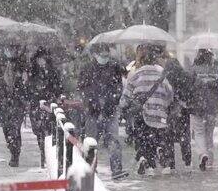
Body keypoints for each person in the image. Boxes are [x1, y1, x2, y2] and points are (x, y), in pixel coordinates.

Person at [119, 44, 174, 175]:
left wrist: (121, 107)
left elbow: (126, 95)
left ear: (141, 60)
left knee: (144, 139)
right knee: (156, 138)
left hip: (142, 113)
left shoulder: (136, 74)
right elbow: (170, 92)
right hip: (160, 114)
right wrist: (164, 105)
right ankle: (160, 150)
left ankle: (145, 161)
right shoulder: (161, 74)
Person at [78, 43, 128, 179]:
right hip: (93, 111)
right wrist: (93, 102)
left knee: (113, 140)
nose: (104, 58)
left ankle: (117, 169)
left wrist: (110, 102)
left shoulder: (114, 68)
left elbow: (118, 88)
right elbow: (83, 89)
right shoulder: (87, 69)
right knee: (91, 140)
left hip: (110, 110)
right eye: (102, 55)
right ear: (95, 55)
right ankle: (89, 169)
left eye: (107, 55)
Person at [0, 44, 29, 167]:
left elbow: (26, 84)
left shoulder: (21, 65)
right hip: (3, 102)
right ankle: (12, 147)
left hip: (17, 102)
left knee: (15, 128)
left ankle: (15, 154)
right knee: (6, 128)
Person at [188, 48, 218, 171]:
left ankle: (202, 154)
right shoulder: (217, 71)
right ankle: (209, 159)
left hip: (196, 106)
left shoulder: (193, 71)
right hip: (212, 107)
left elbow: (188, 86)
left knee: (198, 132)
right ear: (211, 58)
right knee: (209, 133)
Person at [27, 47, 64, 168]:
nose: (42, 61)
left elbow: (58, 87)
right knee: (38, 131)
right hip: (36, 104)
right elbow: (28, 88)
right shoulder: (32, 72)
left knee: (48, 130)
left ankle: (47, 155)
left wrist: (55, 96)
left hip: (49, 104)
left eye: (43, 59)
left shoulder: (53, 72)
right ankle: (43, 151)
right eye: (39, 59)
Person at [161, 52, 195, 168]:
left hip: (168, 110)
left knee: (168, 137)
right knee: (184, 137)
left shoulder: (164, 77)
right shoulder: (186, 76)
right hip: (183, 110)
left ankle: (171, 164)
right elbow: (191, 94)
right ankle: (187, 163)